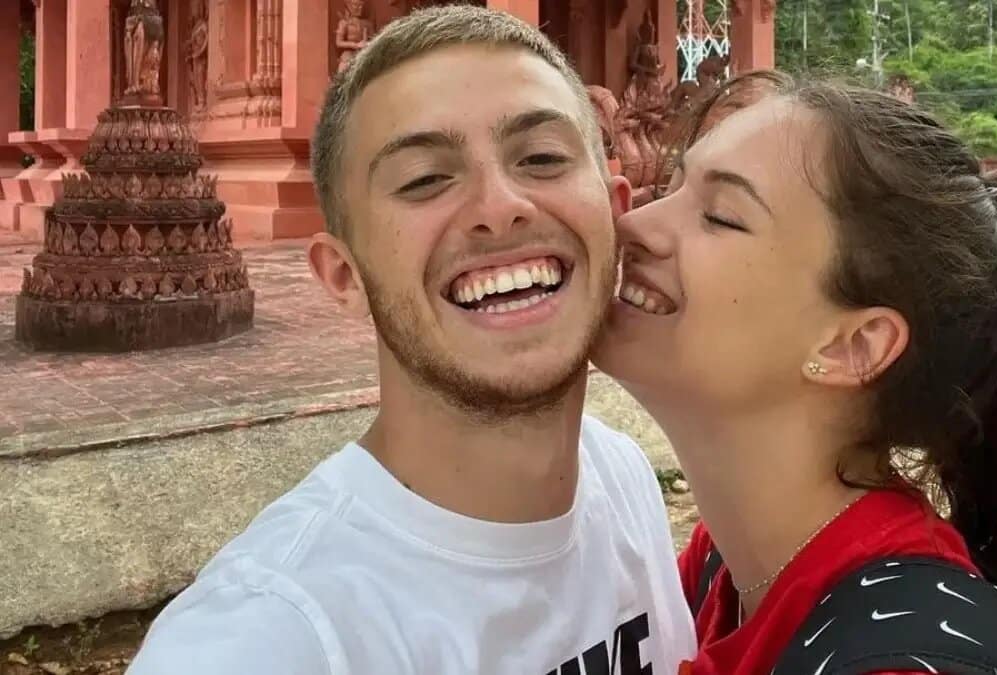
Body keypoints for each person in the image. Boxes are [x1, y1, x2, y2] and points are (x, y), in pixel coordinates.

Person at [127, 6, 695, 674]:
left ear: (616, 212)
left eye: (542, 158)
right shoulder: (273, 638)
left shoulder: (623, 480)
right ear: (345, 276)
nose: (500, 207)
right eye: (425, 178)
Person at [591, 71, 997, 674]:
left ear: (855, 345)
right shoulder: (730, 563)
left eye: (720, 216)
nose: (632, 225)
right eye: (673, 186)